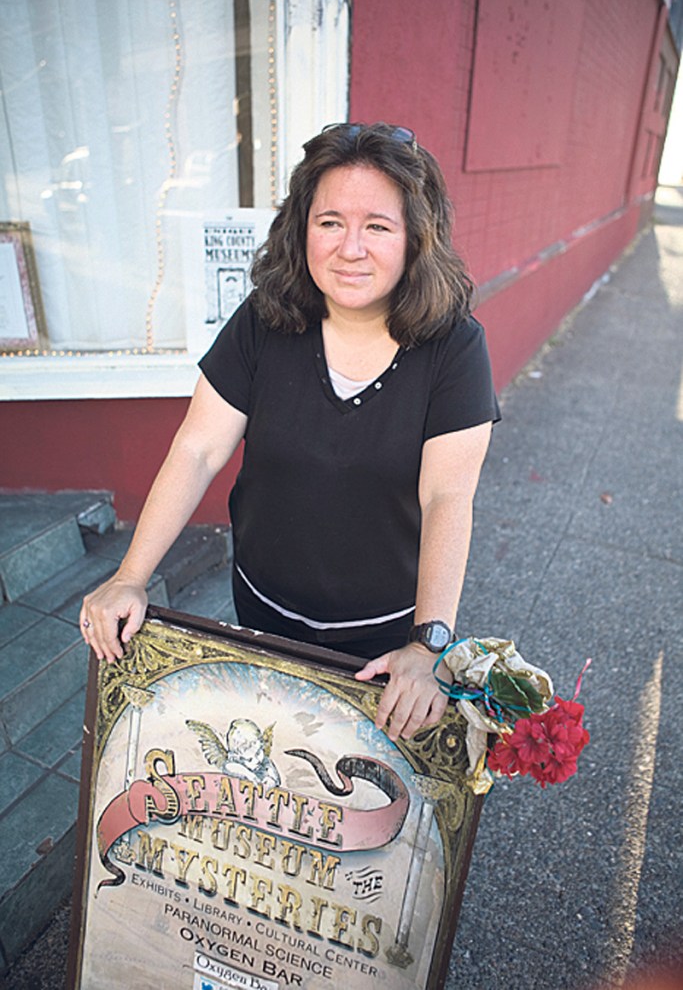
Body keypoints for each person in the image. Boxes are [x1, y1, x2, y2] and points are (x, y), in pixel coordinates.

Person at [81, 122, 500, 743]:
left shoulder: (455, 348)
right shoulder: (265, 320)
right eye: (330, 221)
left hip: (383, 637)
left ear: (416, 238)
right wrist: (130, 576)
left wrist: (429, 643)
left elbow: (447, 498)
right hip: (262, 610)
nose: (350, 247)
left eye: (378, 226)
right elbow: (198, 450)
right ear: (302, 229)